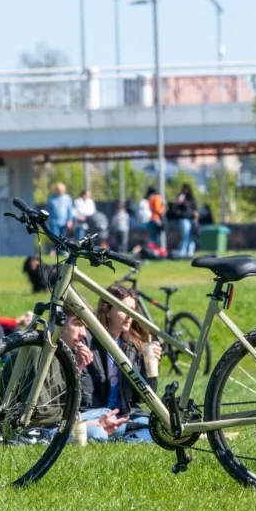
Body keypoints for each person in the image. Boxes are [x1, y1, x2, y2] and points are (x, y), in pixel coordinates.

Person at [77, 285, 163, 443]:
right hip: (96, 414)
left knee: (160, 429)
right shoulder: (88, 342)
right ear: (107, 311)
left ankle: (124, 436)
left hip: (124, 415)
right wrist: (107, 416)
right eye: (125, 309)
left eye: (133, 310)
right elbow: (86, 398)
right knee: (100, 433)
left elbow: (143, 397)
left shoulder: (133, 346)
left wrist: (150, 367)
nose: (130, 316)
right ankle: (123, 435)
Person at [173, 183, 198, 257]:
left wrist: (196, 219)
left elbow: (195, 209)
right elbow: (176, 209)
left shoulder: (192, 198)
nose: (185, 191)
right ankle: (183, 252)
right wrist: (179, 202)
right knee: (186, 236)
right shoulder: (181, 197)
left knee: (192, 237)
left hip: (192, 219)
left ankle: (190, 253)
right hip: (184, 219)